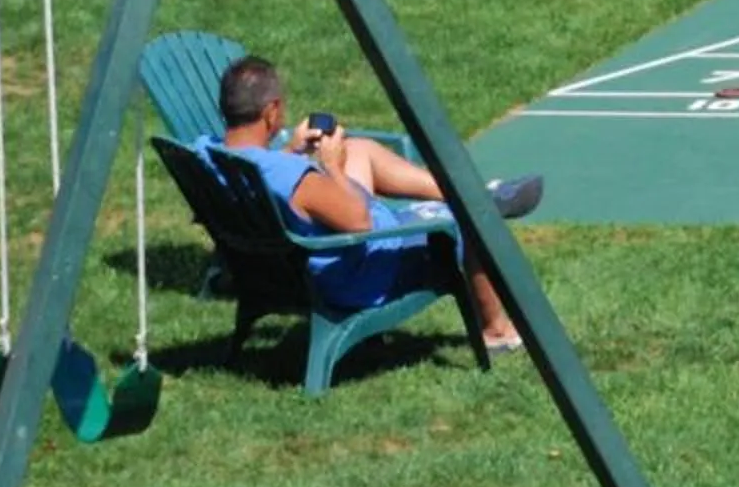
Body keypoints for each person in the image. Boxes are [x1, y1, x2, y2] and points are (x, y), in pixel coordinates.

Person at [206, 55, 540, 356]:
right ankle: (496, 330)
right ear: (271, 111)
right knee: (465, 218)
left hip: (276, 273)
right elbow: (359, 223)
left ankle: (471, 193)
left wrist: (291, 151)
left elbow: (266, 175)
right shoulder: (289, 177)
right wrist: (332, 166)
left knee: (359, 150)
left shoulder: (209, 156)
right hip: (355, 275)